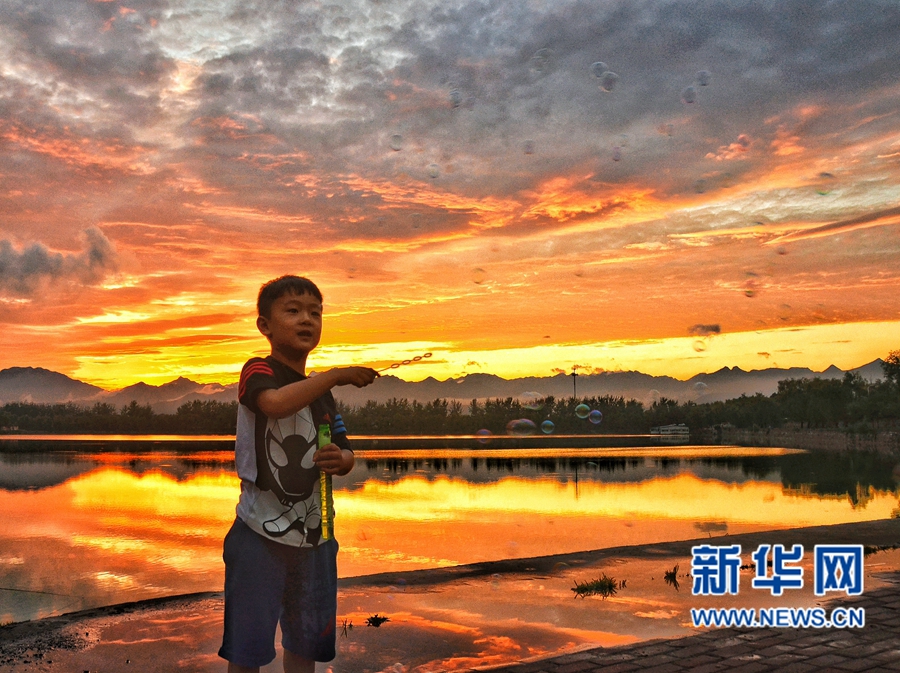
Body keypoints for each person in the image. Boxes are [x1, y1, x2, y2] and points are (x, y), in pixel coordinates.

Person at [218, 275, 379, 673]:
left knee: (305, 644)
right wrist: (336, 374)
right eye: (292, 310)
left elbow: (346, 450)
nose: (307, 319)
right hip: (258, 535)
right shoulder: (258, 370)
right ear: (265, 326)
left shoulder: (322, 395)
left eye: (315, 312)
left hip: (317, 537)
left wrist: (341, 460)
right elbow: (273, 404)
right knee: (247, 649)